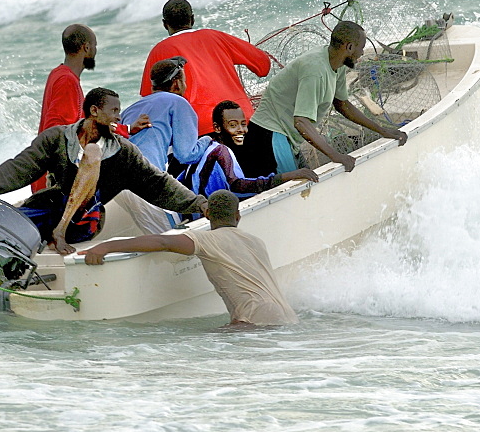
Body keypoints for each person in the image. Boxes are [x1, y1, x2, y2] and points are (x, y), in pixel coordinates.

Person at [0, 87, 208, 255]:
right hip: (50, 208)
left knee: (93, 154)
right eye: (114, 111)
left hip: (84, 220)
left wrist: (199, 204)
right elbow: (21, 167)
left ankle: (59, 232)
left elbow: (158, 183)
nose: (118, 116)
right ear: (94, 111)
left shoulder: (124, 152)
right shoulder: (57, 138)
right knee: (0, 226)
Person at [80, 190, 296, 326]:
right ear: (238, 216)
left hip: (252, 319)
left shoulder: (207, 240)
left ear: (207, 214)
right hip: (285, 315)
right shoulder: (255, 241)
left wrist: (106, 246)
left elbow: (163, 242)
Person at [244, 20, 408, 177]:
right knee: (292, 191)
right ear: (349, 47)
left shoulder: (337, 64)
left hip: (288, 137)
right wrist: (336, 155)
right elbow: (301, 121)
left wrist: (382, 130)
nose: (362, 53)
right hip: (269, 136)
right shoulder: (315, 70)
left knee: (307, 187)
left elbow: (343, 105)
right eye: (361, 48)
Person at [35, 24, 147, 192]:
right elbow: (55, 129)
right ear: (86, 48)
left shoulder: (60, 75)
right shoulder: (67, 82)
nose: (96, 50)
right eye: (95, 46)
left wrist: (128, 128)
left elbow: (89, 124)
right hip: (55, 182)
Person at [140, 0, 271, 136]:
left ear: (165, 24)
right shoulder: (216, 36)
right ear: (192, 19)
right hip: (242, 118)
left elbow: (149, 102)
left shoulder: (159, 50)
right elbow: (263, 65)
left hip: (198, 128)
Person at [114, 56, 213, 233]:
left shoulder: (132, 108)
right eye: (184, 80)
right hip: (147, 180)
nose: (186, 85)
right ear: (176, 83)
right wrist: (207, 140)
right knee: (173, 236)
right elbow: (186, 154)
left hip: (117, 185)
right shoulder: (178, 102)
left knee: (156, 234)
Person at [180, 100, 318, 199]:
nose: (241, 130)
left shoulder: (209, 149)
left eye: (243, 124)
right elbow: (237, 186)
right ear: (217, 128)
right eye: (233, 125)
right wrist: (286, 176)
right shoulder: (220, 152)